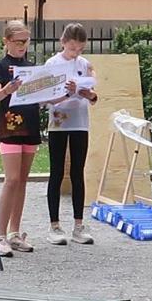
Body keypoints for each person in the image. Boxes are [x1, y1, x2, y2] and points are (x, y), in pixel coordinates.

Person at [0, 20, 40, 257]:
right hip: (9, 128)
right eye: (18, 41)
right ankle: (0, 235)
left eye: (26, 41)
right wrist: (7, 90)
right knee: (11, 180)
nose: (23, 45)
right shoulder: (1, 66)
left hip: (30, 126)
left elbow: (42, 95)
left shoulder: (30, 66)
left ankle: (14, 232)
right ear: (7, 41)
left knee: (22, 181)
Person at [45, 23, 99, 246]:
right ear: (63, 43)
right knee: (57, 171)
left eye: (79, 49)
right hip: (58, 120)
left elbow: (94, 96)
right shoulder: (52, 63)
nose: (75, 53)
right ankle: (54, 225)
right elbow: (46, 95)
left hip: (79, 121)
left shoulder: (84, 64)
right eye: (71, 49)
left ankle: (79, 224)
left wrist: (88, 93)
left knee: (78, 170)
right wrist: (63, 93)